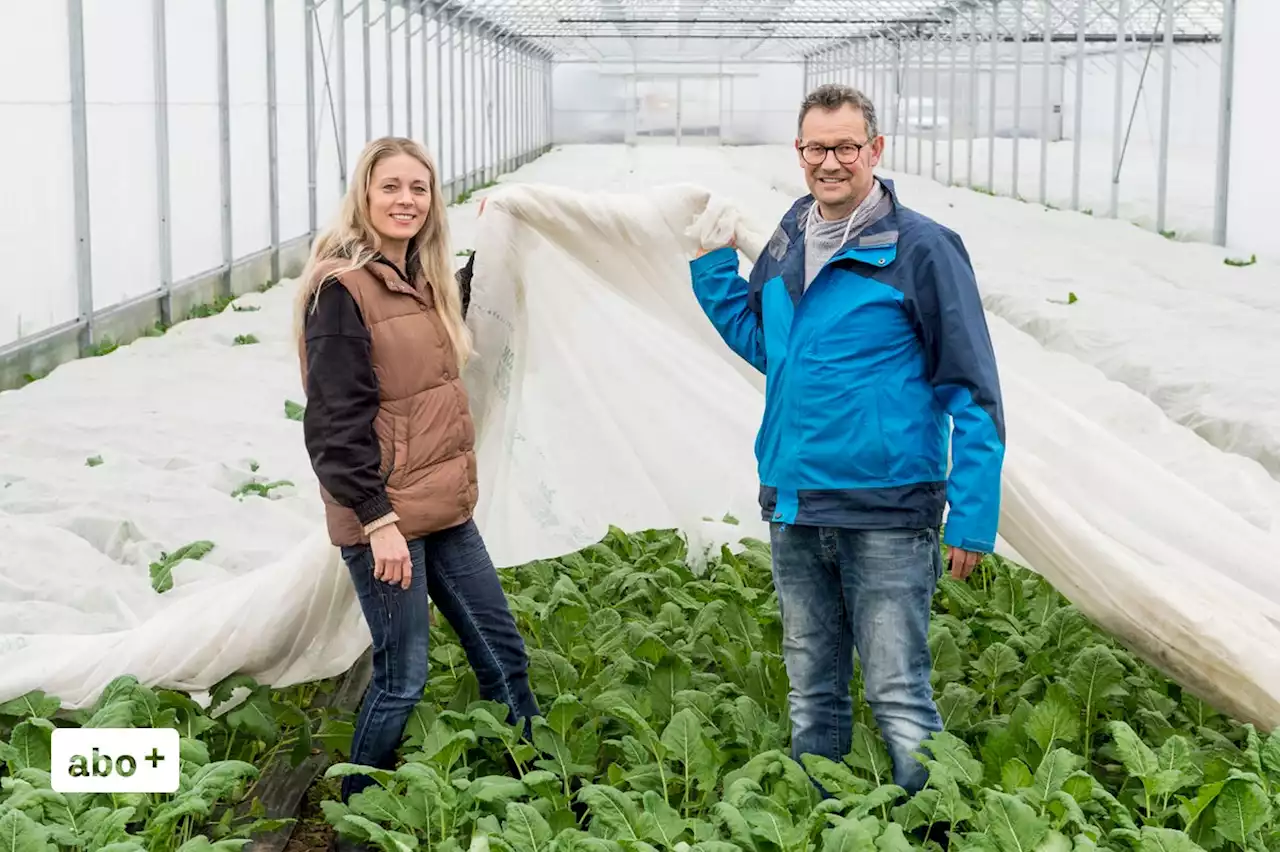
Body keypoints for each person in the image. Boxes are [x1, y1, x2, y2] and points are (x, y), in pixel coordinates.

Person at [688, 84, 1005, 795]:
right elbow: (775, 347)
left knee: (897, 692)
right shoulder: (788, 237)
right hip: (797, 504)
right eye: (816, 148)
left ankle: (929, 829)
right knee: (812, 691)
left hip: (888, 511)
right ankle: (824, 823)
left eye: (845, 147)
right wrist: (713, 271)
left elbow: (972, 387)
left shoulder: (923, 249)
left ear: (876, 150)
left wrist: (974, 514)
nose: (830, 163)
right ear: (798, 152)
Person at [293, 136, 538, 806]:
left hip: (443, 507)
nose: (406, 200)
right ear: (364, 197)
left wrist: (498, 238)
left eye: (419, 188)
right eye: (391, 187)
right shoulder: (340, 291)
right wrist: (378, 522)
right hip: (388, 518)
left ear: (433, 202)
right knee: (402, 676)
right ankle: (355, 813)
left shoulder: (422, 282)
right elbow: (333, 426)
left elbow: (432, 331)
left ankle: (534, 787)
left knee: (503, 654)